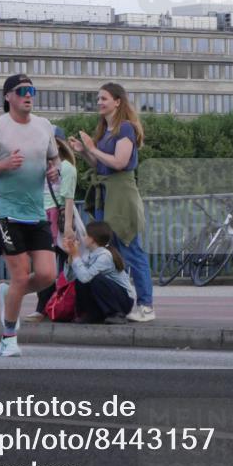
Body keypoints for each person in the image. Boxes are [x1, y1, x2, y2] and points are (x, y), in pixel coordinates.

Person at [0, 74, 60, 357]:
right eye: (22, 91)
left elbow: (54, 157)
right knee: (21, 276)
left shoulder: (44, 125)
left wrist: (54, 169)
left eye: (31, 90)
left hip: (35, 211)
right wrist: (5, 164)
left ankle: (10, 293)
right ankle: (8, 338)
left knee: (48, 274)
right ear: (8, 96)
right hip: (5, 213)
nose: (28, 95)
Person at [69, 82, 155, 323]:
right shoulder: (105, 132)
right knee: (107, 249)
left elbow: (119, 162)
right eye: (98, 99)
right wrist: (84, 152)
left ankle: (146, 305)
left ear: (118, 101)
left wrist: (92, 148)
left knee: (131, 249)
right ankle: (114, 304)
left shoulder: (125, 128)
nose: (99, 102)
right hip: (105, 194)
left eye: (104, 98)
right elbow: (102, 166)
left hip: (121, 195)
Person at [25, 130, 79, 323]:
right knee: (43, 267)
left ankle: (64, 304)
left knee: (66, 266)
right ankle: (43, 306)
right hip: (41, 218)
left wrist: (69, 227)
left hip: (60, 219)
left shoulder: (67, 168)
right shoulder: (38, 167)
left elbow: (69, 199)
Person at [65, 220, 136, 324]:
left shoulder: (104, 256)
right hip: (110, 297)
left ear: (93, 239)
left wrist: (76, 256)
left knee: (95, 279)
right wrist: (71, 255)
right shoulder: (88, 254)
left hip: (124, 302)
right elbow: (71, 278)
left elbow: (86, 278)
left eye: (85, 235)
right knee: (81, 278)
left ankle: (116, 314)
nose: (82, 238)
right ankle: (91, 314)